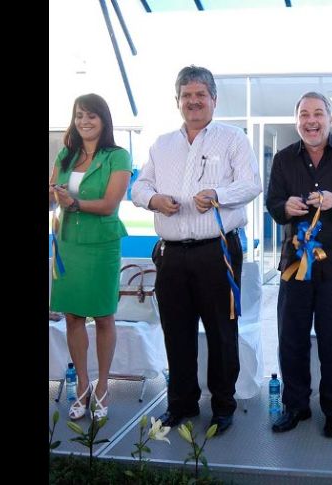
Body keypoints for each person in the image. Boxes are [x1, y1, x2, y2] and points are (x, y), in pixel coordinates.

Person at [131, 65, 262, 435]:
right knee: (176, 330)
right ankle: (181, 404)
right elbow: (139, 188)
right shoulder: (161, 145)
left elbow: (251, 184)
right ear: (178, 102)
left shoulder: (233, 139)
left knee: (222, 330)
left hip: (216, 251)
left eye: (200, 94)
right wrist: (154, 199)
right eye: (186, 95)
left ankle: (223, 406)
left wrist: (219, 195)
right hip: (171, 253)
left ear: (213, 100)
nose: (193, 101)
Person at [266, 92, 332, 438]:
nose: (311, 121)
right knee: (291, 337)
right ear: (297, 121)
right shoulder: (283, 159)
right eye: (304, 115)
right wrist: (286, 207)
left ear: (329, 119)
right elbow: (272, 202)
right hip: (295, 265)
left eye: (318, 114)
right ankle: (295, 406)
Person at [49, 93, 133, 421]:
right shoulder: (66, 155)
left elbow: (110, 204)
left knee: (103, 316)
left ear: (103, 120)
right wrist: (56, 196)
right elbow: (53, 193)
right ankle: (83, 385)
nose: (84, 121)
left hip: (101, 245)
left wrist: (75, 203)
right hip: (69, 243)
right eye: (79, 115)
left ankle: (103, 386)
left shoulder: (118, 156)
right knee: (72, 316)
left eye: (92, 116)